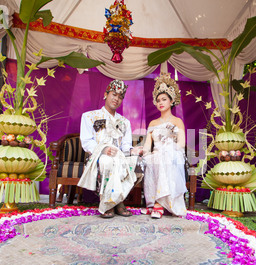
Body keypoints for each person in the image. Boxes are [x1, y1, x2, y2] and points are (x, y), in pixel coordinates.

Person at [78, 79, 143, 218]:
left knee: (136, 162)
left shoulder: (125, 122)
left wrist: (133, 151)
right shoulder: (89, 117)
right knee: (107, 161)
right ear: (106, 94)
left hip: (119, 156)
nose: (116, 99)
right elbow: (86, 141)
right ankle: (109, 202)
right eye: (114, 94)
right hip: (98, 156)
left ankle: (117, 199)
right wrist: (103, 149)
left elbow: (126, 146)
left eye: (120, 97)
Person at [142, 73, 187, 219]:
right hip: (157, 154)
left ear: (171, 101)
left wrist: (169, 148)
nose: (160, 102)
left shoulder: (177, 121)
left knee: (165, 156)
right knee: (153, 158)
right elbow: (148, 146)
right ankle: (155, 203)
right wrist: (144, 152)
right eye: (158, 100)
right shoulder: (153, 124)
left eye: (164, 99)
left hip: (173, 153)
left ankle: (158, 204)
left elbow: (181, 144)